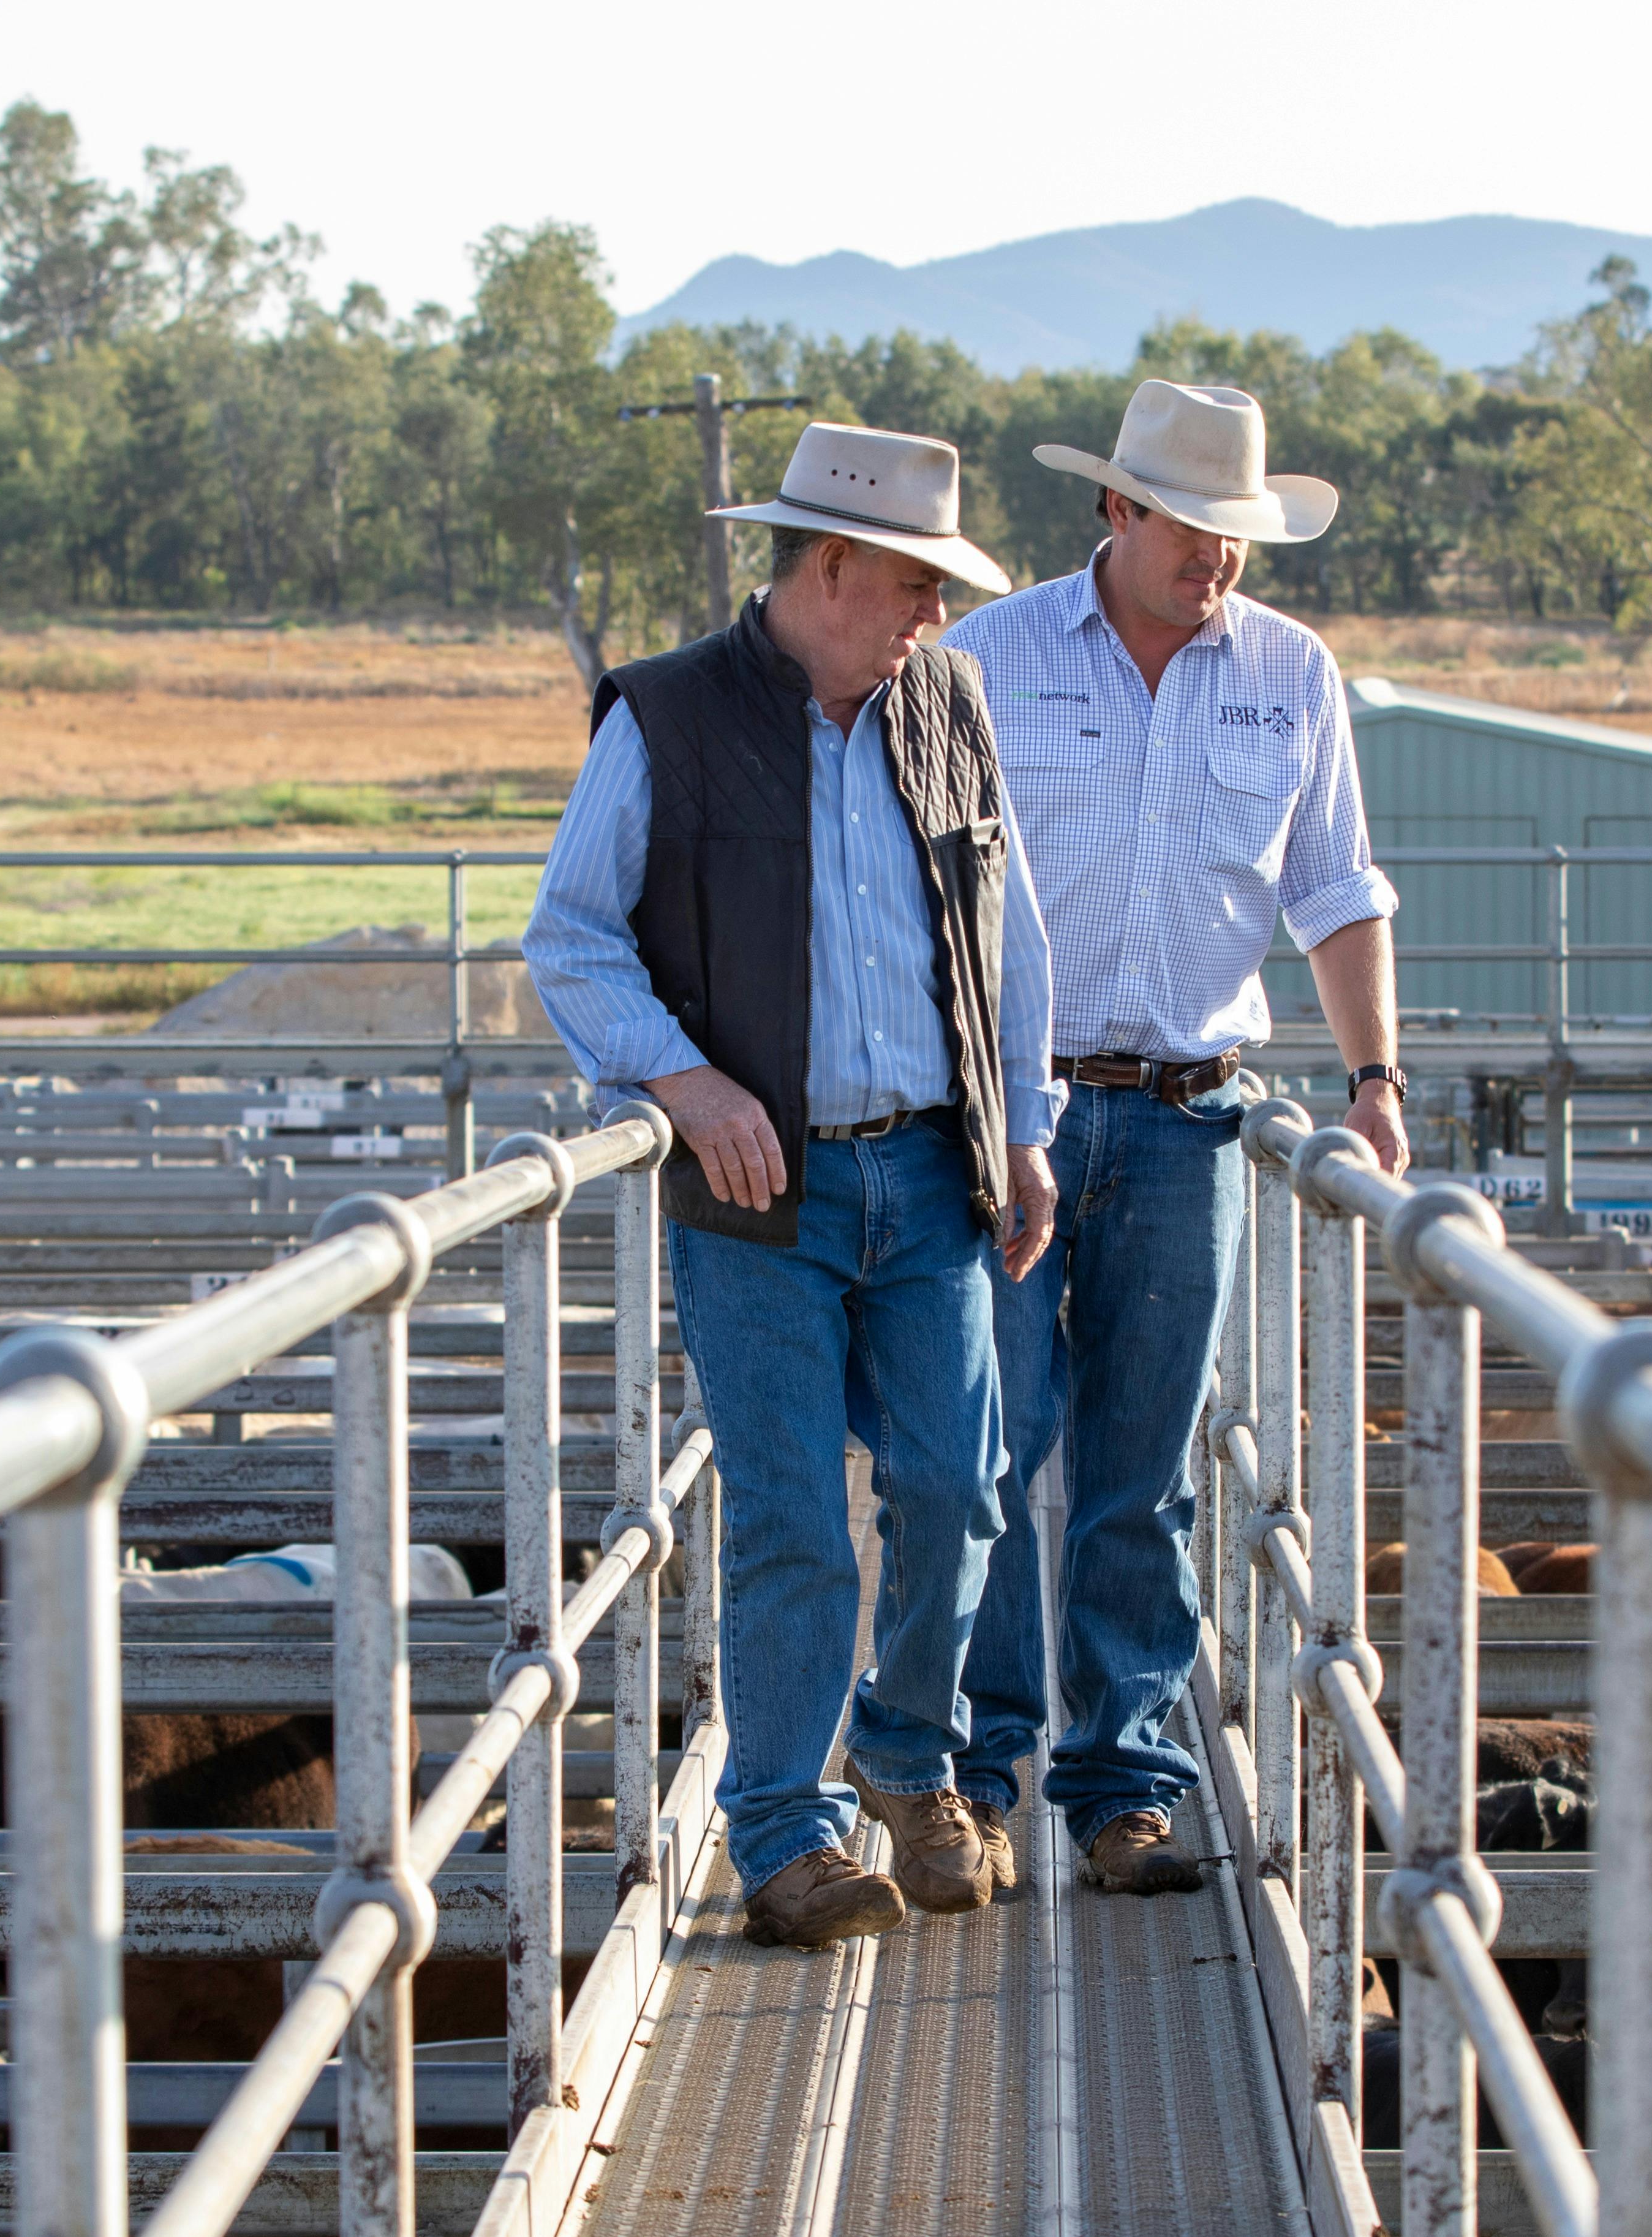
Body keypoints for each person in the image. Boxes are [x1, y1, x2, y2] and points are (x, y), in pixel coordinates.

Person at [522, 422, 1063, 1950]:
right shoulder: (669, 717)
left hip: (930, 1172)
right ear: (828, 568)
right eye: (913, 586)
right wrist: (681, 1081)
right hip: (763, 1193)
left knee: (962, 1489)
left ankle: (906, 1763)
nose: (933, 619)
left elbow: (1004, 937)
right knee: (788, 1517)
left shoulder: (944, 702)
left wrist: (1023, 1127)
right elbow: (571, 934)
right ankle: (784, 1828)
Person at [939, 380, 1404, 1895]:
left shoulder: (1289, 674)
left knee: (1150, 1461)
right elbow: (922, 888)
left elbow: (1335, 888)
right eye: (1197, 527)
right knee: (986, 1447)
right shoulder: (984, 658)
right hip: (1013, 1110)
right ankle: (980, 1772)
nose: (1221, 559)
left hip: (1195, 1112)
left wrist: (1375, 1076)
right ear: (1119, 511)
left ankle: (1126, 1779)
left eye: (1240, 536)